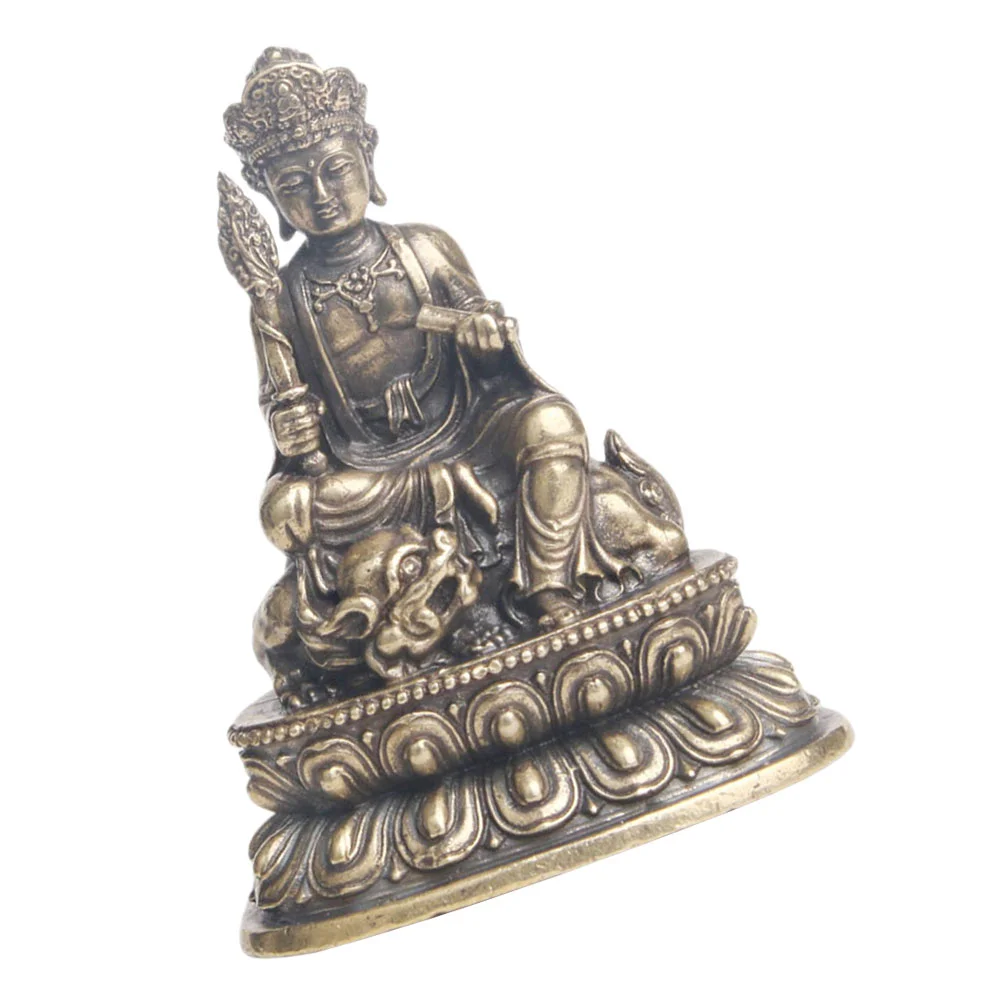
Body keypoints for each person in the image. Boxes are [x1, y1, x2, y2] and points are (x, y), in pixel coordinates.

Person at [224, 49, 685, 703]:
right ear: (270, 194)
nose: (321, 197)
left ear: (367, 156)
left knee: (552, 422)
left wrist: (486, 336)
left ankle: (547, 586)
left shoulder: (423, 248)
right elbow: (293, 432)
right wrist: (292, 431)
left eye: (335, 170)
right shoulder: (284, 300)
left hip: (468, 432)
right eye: (294, 184)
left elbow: (485, 341)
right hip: (377, 475)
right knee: (285, 511)